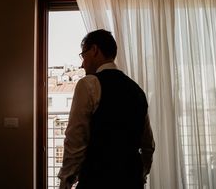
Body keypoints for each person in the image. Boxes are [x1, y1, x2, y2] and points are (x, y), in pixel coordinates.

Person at [58, 29, 155, 189]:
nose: (82, 64)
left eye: (83, 55)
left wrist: (66, 179)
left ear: (95, 50)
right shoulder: (137, 90)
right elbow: (148, 144)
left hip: (97, 179)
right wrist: (141, 173)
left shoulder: (88, 84)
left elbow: (75, 138)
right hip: (132, 181)